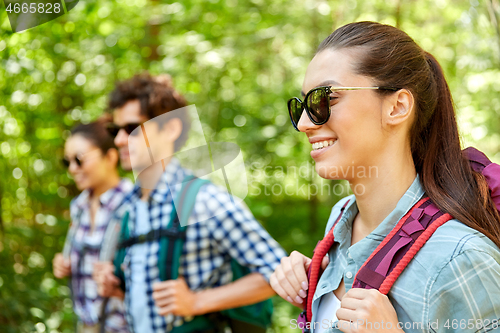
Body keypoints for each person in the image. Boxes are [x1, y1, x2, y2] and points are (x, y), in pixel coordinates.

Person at [270, 21, 500, 333]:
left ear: (397, 107)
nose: (304, 124)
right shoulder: (340, 221)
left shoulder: (461, 258)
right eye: (303, 104)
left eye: (327, 98)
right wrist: (313, 288)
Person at [93, 73, 287, 333]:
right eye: (114, 130)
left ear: (170, 129)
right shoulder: (128, 211)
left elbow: (279, 272)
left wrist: (197, 302)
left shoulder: (204, 202)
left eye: (131, 129)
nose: (118, 140)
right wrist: (118, 287)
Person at [52, 119, 133, 333]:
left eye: (79, 160)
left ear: (110, 157)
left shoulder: (133, 204)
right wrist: (64, 264)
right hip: (87, 326)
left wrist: (121, 280)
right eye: (67, 161)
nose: (72, 169)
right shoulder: (78, 207)